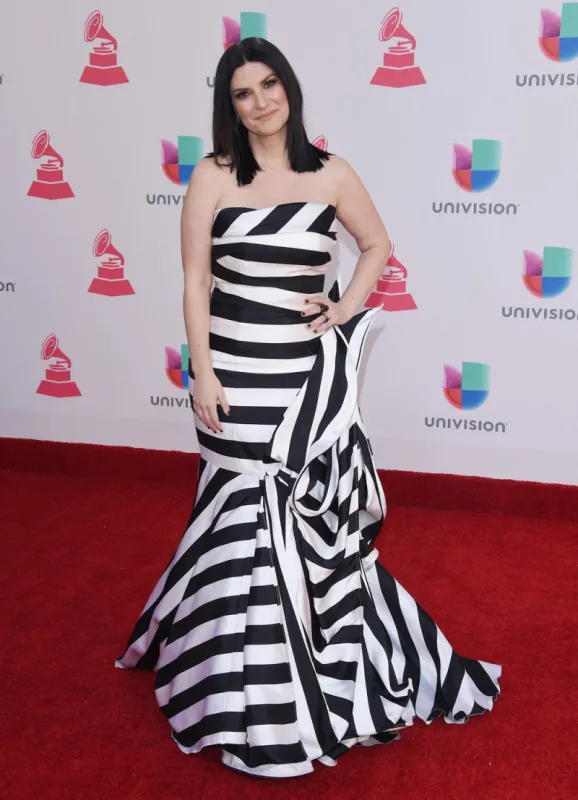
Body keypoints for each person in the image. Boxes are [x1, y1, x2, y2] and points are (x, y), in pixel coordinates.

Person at [114, 37, 501, 779]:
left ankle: (295, 681)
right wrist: (202, 372)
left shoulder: (333, 173)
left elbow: (377, 245)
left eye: (270, 86)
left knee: (299, 519)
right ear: (228, 107)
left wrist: (343, 308)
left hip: (303, 377)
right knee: (236, 512)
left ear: (289, 89)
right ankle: (225, 671)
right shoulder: (212, 174)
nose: (260, 102)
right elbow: (195, 281)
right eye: (242, 93)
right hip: (234, 374)